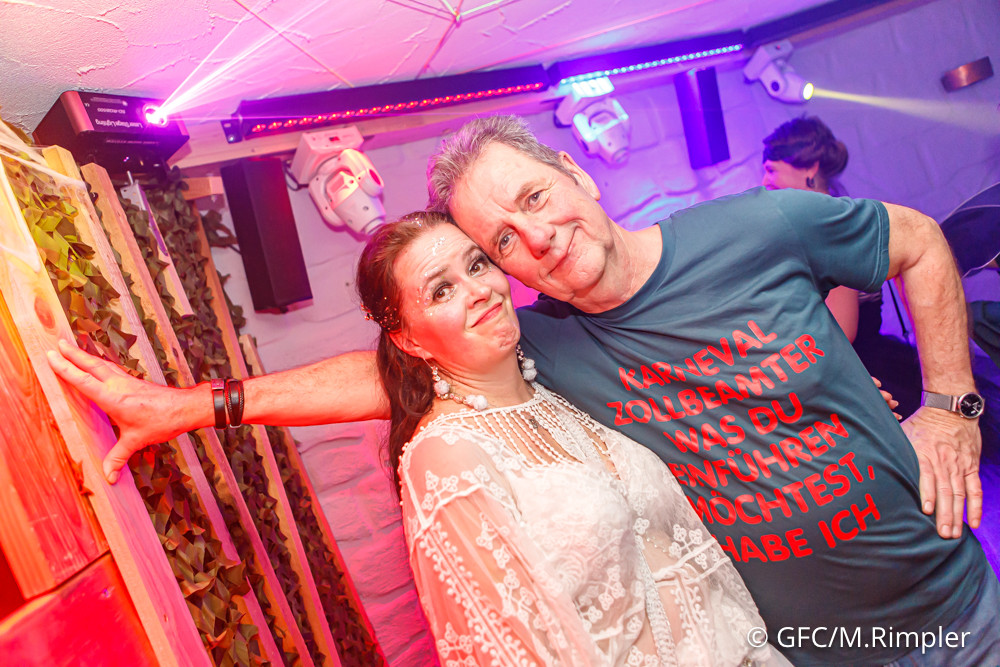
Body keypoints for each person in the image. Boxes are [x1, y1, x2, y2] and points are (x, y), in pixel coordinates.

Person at [50, 115, 997, 665]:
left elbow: (917, 237)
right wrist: (188, 405)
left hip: (955, 618)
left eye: (535, 198)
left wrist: (950, 402)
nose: (534, 237)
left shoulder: (759, 226)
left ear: (575, 172)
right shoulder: (541, 344)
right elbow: (385, 370)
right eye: (501, 239)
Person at [761, 116, 923, 417]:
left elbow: (842, 331)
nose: (764, 181)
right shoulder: (829, 220)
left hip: (863, 377)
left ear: (810, 168)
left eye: (771, 170)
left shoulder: (829, 228)